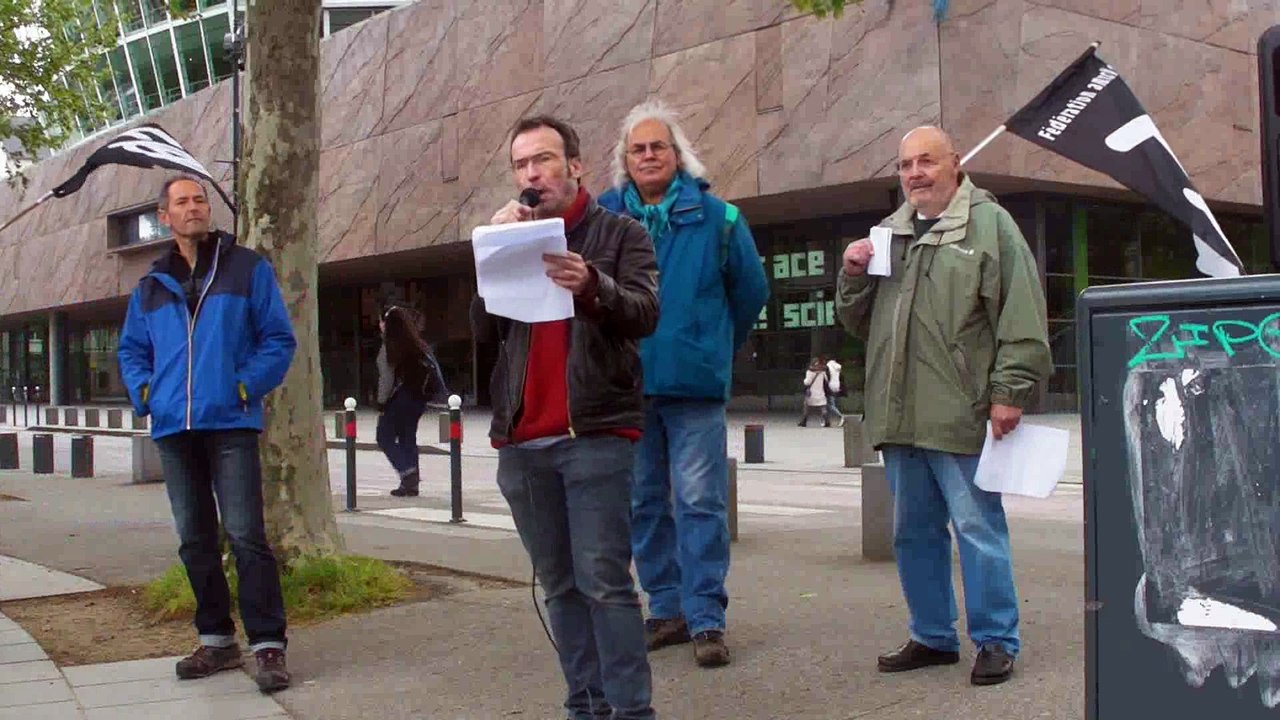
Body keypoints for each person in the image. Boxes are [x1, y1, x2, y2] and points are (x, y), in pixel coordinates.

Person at [835, 126, 1052, 686]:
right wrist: (852, 275)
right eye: (906, 164)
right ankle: (933, 636)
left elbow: (1022, 315)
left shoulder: (990, 226)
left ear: (954, 164)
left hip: (961, 411)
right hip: (899, 414)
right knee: (913, 533)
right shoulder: (889, 232)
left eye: (926, 161)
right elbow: (859, 324)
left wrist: (1011, 392)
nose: (914, 174)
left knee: (978, 527)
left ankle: (996, 640)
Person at [471, 114, 660, 720]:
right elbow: (481, 335)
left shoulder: (620, 233)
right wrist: (492, 252)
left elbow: (645, 312)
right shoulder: (510, 236)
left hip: (595, 434)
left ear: (575, 166)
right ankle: (586, 705)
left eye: (544, 160)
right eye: (522, 164)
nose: (532, 174)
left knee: (604, 583)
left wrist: (593, 286)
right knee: (560, 587)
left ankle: (632, 711)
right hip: (523, 440)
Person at [599, 99, 769, 668]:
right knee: (643, 503)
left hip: (693, 385)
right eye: (637, 148)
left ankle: (706, 618)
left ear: (678, 156)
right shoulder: (602, 218)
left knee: (699, 504)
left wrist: (708, 340)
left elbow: (750, 295)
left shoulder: (721, 219)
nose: (648, 156)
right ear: (625, 160)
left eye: (658, 147)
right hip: (625, 385)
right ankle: (665, 610)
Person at [118, 175, 297, 692]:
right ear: (165, 216)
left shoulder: (247, 268)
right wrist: (146, 394)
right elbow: (132, 351)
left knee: (246, 537)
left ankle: (268, 646)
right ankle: (216, 640)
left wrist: (245, 387)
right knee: (195, 540)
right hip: (174, 429)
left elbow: (278, 340)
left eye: (200, 199)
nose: (194, 207)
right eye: (182, 202)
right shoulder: (150, 285)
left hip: (231, 423)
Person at [376, 304, 440, 497]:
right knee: (407, 437)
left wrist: (381, 402)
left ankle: (408, 473)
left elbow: (386, 379)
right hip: (418, 399)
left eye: (382, 321)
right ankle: (410, 484)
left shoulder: (389, 347)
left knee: (384, 437)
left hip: (399, 398)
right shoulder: (417, 345)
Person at [798, 357, 830, 428]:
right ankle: (827, 421)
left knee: (806, 407)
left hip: (811, 393)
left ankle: (803, 421)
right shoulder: (822, 372)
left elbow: (807, 382)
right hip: (821, 392)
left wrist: (804, 381)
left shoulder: (810, 371)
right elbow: (826, 380)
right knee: (823, 407)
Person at [824, 355, 846, 427]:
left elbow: (827, 378)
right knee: (831, 404)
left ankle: (841, 416)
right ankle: (827, 421)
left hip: (830, 386)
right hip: (837, 386)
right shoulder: (838, 367)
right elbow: (841, 377)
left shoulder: (827, 367)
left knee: (830, 405)